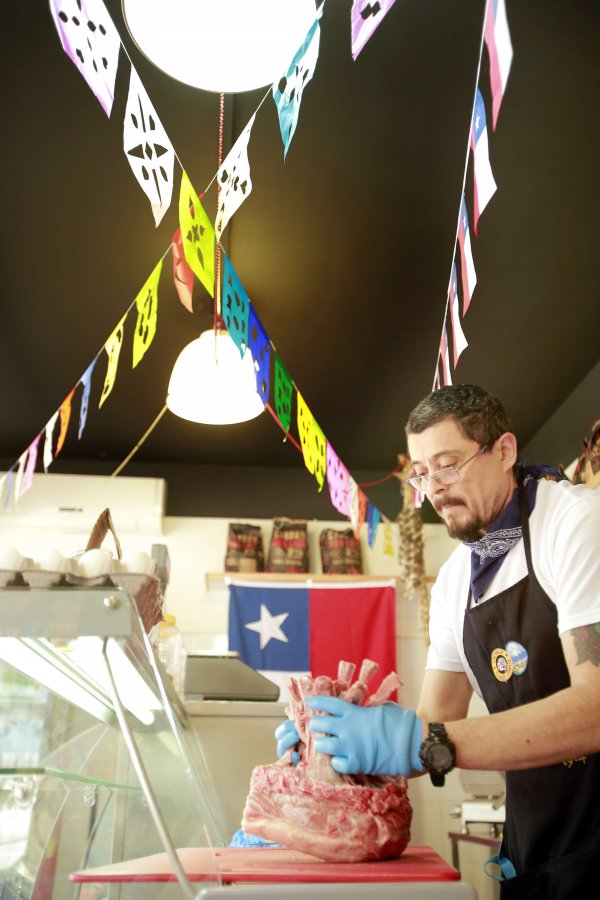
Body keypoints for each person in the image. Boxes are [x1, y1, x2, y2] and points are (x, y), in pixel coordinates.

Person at [275, 384, 600, 898]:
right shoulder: (455, 580)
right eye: (421, 475)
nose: (434, 489)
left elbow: (596, 707)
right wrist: (340, 749)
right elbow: (435, 721)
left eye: (448, 465)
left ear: (505, 450)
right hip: (534, 854)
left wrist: (419, 743)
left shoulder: (577, 522)